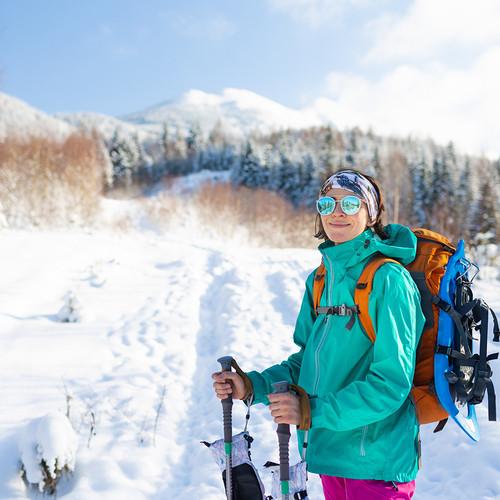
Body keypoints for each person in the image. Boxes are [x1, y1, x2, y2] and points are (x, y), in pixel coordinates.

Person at [212, 169, 426, 499]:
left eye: (350, 203)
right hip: (328, 455)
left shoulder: (389, 280)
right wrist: (251, 385)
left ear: (370, 213)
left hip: (374, 461)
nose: (337, 212)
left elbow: (390, 384)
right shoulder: (320, 280)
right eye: (327, 204)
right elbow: (304, 364)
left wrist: (312, 411)